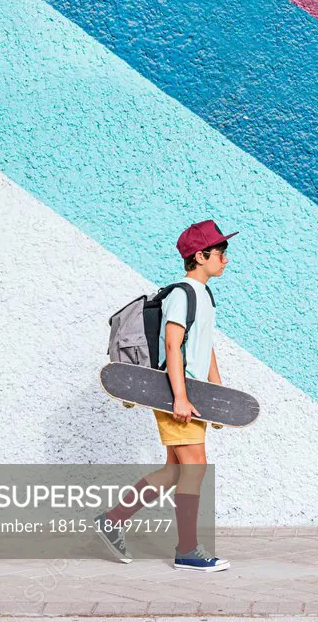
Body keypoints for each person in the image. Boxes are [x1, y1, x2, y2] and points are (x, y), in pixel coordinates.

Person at [96, 220, 237, 571]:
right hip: (176, 394)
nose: (225, 260)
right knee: (195, 468)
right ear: (200, 255)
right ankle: (187, 550)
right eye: (220, 253)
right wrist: (179, 398)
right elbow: (172, 345)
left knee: (175, 471)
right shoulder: (182, 294)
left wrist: (217, 391)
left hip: (192, 393)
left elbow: (204, 345)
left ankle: (112, 520)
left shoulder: (204, 296)